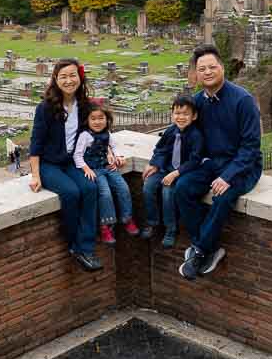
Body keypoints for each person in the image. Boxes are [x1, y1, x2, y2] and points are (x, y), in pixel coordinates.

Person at [176, 44, 263, 281]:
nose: (207, 72)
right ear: (196, 73)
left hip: (243, 166)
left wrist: (228, 176)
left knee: (223, 197)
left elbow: (251, 147)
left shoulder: (242, 100)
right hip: (213, 163)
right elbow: (182, 135)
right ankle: (209, 248)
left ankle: (199, 251)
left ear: (222, 68)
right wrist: (159, 161)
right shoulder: (197, 102)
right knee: (183, 188)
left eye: (212, 67)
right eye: (201, 69)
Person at [28, 59, 101, 271]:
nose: (69, 81)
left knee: (89, 188)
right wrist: (35, 175)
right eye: (63, 76)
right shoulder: (46, 108)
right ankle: (74, 244)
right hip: (49, 163)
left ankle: (86, 247)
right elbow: (36, 142)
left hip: (72, 161)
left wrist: (111, 153)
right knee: (70, 193)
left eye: (72, 75)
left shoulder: (85, 105)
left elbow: (96, 133)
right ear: (55, 80)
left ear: (80, 78)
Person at [140, 94, 204, 249]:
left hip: (182, 172)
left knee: (168, 193)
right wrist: (154, 164)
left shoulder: (196, 136)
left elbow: (195, 160)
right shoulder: (170, 131)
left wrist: (176, 173)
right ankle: (152, 221)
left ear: (194, 116)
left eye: (185, 114)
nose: (180, 117)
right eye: (177, 113)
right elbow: (161, 149)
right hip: (166, 169)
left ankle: (171, 228)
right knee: (148, 186)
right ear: (172, 114)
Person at [74, 106, 138, 244]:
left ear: (107, 119)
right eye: (93, 119)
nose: (98, 122)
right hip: (94, 170)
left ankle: (127, 218)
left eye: (101, 118)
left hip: (108, 167)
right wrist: (86, 169)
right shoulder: (85, 136)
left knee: (123, 188)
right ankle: (106, 226)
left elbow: (114, 146)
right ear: (87, 121)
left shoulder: (107, 133)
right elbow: (77, 155)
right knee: (105, 193)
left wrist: (118, 157)